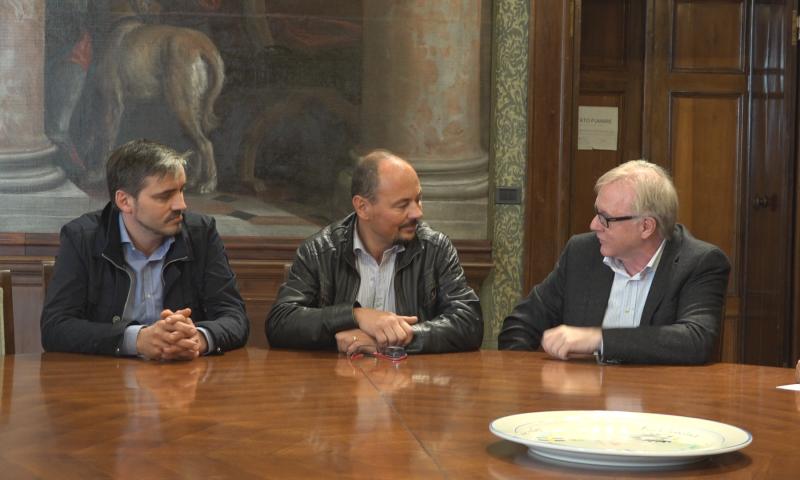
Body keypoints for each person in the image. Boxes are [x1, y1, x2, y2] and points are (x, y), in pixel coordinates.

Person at [499, 160, 730, 364]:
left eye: (605, 218)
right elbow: (520, 325)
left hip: (656, 397)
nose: (593, 225)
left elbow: (695, 339)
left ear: (646, 226)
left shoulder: (700, 262)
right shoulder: (582, 253)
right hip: (584, 397)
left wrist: (599, 339)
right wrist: (525, 377)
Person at [41, 139, 248, 359]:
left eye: (181, 190)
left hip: (185, 375)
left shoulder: (201, 234)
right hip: (108, 376)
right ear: (125, 201)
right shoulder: (82, 238)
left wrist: (197, 338)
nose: (181, 204)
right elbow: (55, 328)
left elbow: (234, 316)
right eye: (165, 196)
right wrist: (137, 339)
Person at [266, 150, 483, 354]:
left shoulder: (435, 249)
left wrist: (395, 340)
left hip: (410, 379)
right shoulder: (320, 251)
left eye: (418, 199)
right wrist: (355, 315)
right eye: (402, 205)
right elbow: (281, 323)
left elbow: (469, 323)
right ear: (363, 207)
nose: (417, 213)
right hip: (337, 378)